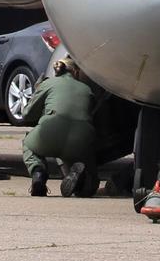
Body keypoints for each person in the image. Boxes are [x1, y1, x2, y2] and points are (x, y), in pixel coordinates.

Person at [18, 54, 100, 196]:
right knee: (88, 182)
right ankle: (81, 179)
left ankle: (38, 173)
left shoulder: (48, 84)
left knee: (28, 144)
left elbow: (26, 114)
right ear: (75, 72)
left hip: (50, 132)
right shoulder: (86, 89)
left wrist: (38, 92)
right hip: (81, 138)